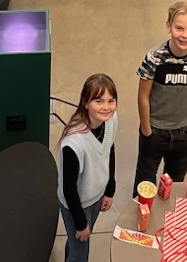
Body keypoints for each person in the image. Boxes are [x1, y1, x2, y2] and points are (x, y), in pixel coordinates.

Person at [132, 1, 187, 189]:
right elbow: (143, 95)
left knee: (174, 186)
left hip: (185, 132)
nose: (184, 35)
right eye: (179, 28)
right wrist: (147, 130)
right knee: (144, 183)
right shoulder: (155, 57)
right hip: (155, 131)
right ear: (168, 26)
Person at [57, 74, 118, 262]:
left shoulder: (110, 119)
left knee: (76, 245)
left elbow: (109, 149)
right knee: (80, 255)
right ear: (85, 102)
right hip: (77, 205)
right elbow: (69, 188)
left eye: (111, 100)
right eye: (98, 101)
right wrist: (81, 223)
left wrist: (109, 189)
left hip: (96, 196)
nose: (106, 107)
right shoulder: (73, 143)